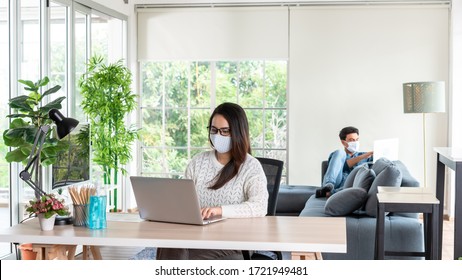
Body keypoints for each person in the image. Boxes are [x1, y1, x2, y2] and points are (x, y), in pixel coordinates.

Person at [156, 102, 268, 260]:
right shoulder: (197, 163)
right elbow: (183, 201)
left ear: (238, 132)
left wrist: (219, 210)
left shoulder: (250, 166)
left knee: (187, 258)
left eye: (225, 131)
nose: (218, 136)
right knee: (169, 244)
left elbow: (260, 207)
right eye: (214, 130)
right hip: (198, 236)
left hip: (234, 242)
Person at [315, 126, 373, 198]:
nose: (355, 142)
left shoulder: (366, 156)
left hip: (348, 186)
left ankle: (329, 193)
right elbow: (345, 165)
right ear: (343, 142)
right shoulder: (338, 156)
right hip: (335, 182)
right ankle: (328, 186)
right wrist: (363, 156)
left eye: (357, 139)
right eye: (352, 140)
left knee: (357, 182)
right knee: (340, 152)